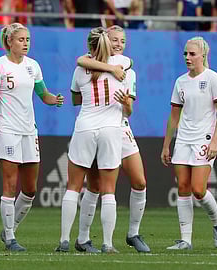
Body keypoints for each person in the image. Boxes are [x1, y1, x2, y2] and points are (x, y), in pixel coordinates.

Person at [0, 23, 64, 252]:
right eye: (20, 40)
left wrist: (53, 99)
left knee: (30, 189)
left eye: (27, 39)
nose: (25, 43)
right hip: (6, 129)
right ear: (9, 42)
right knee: (10, 184)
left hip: (29, 130)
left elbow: (42, 93)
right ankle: (10, 238)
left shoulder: (33, 66)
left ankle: (10, 228)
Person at [73, 25, 150, 253]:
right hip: (99, 128)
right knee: (95, 186)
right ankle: (83, 238)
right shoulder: (90, 62)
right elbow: (80, 62)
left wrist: (127, 104)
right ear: (105, 41)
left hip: (121, 129)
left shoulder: (127, 68)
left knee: (140, 182)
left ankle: (133, 233)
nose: (118, 44)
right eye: (114, 40)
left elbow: (129, 110)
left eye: (122, 41)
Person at [55, 27, 131, 254]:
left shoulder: (79, 70)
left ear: (89, 46)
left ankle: (64, 240)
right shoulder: (121, 63)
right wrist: (110, 69)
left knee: (73, 187)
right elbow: (127, 63)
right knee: (109, 190)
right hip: (110, 129)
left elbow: (75, 99)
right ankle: (107, 243)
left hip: (85, 127)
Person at [161, 37, 217, 250]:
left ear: (203, 56)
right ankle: (185, 240)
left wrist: (215, 140)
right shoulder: (180, 81)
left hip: (204, 139)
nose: (187, 58)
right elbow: (173, 117)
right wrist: (166, 145)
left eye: (192, 54)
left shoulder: (212, 78)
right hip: (183, 140)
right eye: (185, 54)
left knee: (198, 189)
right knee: (183, 187)